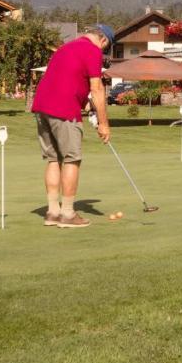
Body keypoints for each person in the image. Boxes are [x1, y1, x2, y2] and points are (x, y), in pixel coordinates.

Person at [31, 24, 115, 229]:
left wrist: (85, 104)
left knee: (53, 159)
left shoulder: (65, 48)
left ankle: (52, 212)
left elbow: (69, 79)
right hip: (63, 109)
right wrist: (104, 124)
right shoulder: (93, 50)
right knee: (71, 159)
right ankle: (68, 214)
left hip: (41, 107)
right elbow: (97, 89)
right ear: (103, 41)